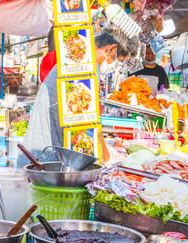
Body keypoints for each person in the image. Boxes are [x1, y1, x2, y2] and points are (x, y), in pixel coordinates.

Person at [22, 28, 132, 166]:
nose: (114, 66)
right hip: (45, 157)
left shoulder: (80, 58)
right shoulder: (88, 67)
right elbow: (89, 120)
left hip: (41, 148)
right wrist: (107, 156)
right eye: (117, 61)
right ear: (111, 49)